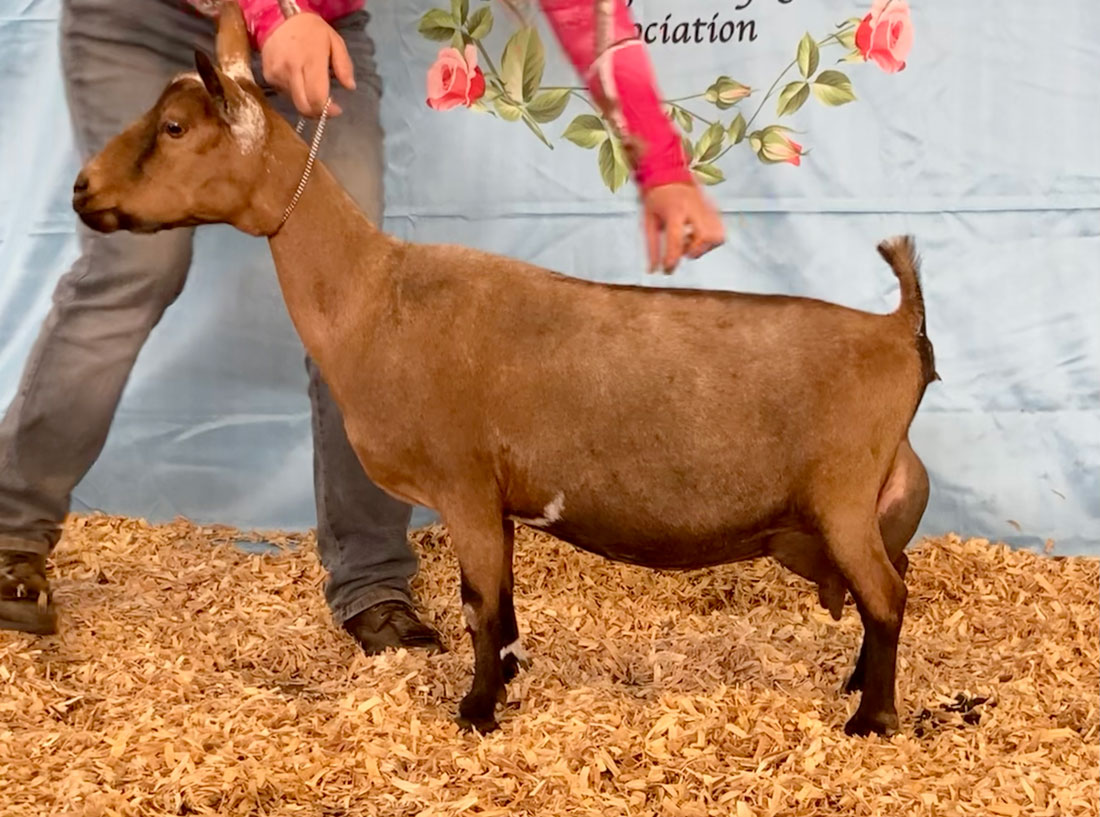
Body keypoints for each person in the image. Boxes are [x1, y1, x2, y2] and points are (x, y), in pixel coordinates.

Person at [0, 0, 724, 644]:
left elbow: (588, 13)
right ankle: (9, 536)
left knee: (354, 292)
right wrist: (273, 13)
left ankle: (371, 579)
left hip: (314, 31)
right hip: (149, 23)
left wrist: (662, 168)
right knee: (134, 270)